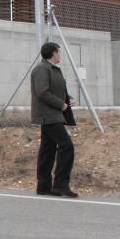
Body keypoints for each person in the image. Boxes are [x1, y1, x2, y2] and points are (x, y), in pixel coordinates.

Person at [31, 41, 79, 198]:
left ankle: (44, 186)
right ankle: (60, 185)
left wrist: (67, 98)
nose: (60, 55)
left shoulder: (53, 70)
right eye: (58, 52)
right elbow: (42, 92)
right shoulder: (41, 69)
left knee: (48, 150)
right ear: (53, 53)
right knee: (67, 146)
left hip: (54, 114)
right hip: (49, 115)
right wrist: (62, 105)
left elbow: (55, 90)